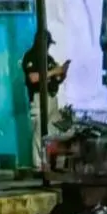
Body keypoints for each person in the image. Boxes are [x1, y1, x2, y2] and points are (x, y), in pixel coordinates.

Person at [22, 30, 69, 171]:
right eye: (47, 43)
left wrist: (62, 73)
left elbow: (55, 78)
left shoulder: (48, 59)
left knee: (54, 130)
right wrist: (54, 71)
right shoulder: (30, 56)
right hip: (39, 98)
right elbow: (33, 78)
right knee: (39, 132)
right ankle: (38, 165)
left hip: (52, 97)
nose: (48, 47)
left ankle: (50, 163)